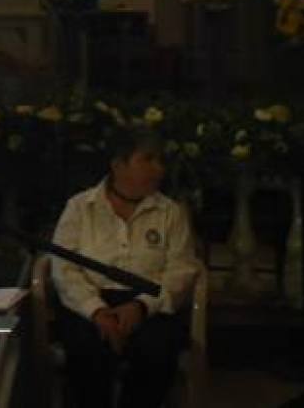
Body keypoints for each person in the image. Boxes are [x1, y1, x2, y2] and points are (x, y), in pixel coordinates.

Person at [49, 127, 201, 408]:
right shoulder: (80, 207)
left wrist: (141, 307)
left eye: (160, 161)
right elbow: (64, 268)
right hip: (89, 302)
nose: (159, 169)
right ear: (118, 165)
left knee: (157, 350)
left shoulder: (171, 212)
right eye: (148, 159)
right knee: (86, 351)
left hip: (149, 304)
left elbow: (181, 270)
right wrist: (97, 311)